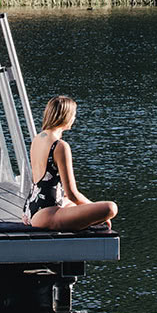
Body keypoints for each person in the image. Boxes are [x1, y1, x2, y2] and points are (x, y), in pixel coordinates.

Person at [24, 95, 119, 231]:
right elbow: (72, 193)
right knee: (110, 208)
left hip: (31, 209)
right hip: (47, 214)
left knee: (73, 206)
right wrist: (97, 211)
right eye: (73, 115)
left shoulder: (38, 138)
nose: (74, 119)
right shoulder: (60, 146)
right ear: (66, 116)